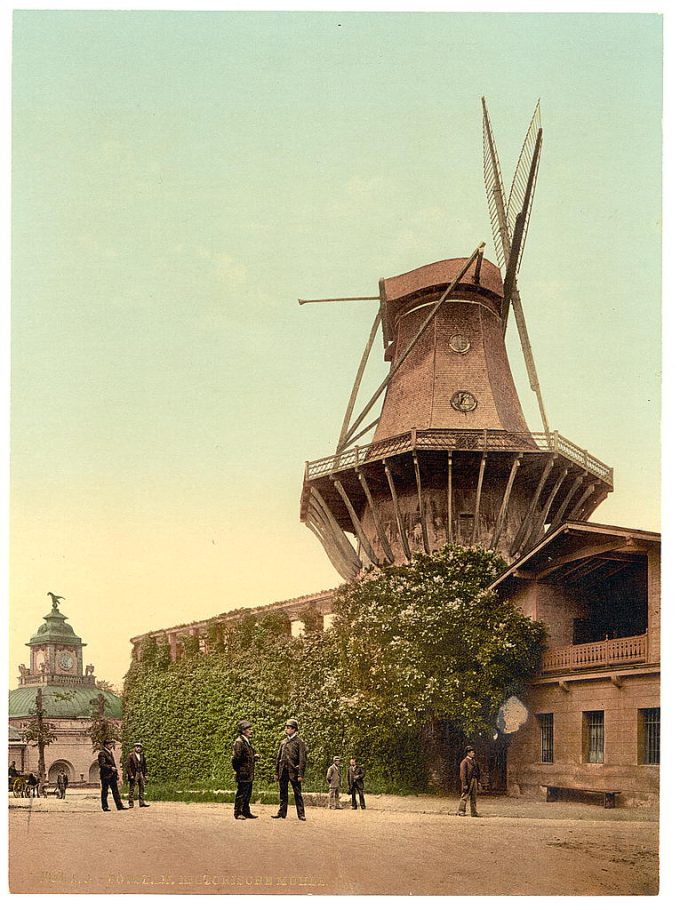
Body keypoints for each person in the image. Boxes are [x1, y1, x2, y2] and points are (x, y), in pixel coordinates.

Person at [271, 718, 306, 821]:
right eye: (286, 727)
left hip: (294, 772)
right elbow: (278, 758)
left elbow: (302, 759)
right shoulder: (283, 742)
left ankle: (301, 814)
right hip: (283, 771)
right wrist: (276, 772)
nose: (287, 729)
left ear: (294, 729)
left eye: (289, 728)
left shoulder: (299, 742)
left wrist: (300, 774)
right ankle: (282, 813)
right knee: (283, 793)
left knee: (297, 793)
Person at [231, 720, 259, 820]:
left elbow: (245, 756)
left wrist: (253, 757)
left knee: (247, 794)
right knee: (241, 794)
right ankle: (238, 813)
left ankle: (246, 812)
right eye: (249, 729)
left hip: (248, 773)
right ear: (243, 731)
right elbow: (235, 759)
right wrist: (239, 770)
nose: (251, 731)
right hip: (243, 774)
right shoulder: (239, 742)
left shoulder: (246, 741)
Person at [98, 739, 128, 812]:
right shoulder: (102, 753)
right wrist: (110, 768)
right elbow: (102, 764)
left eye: (111, 744)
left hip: (112, 775)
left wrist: (116, 774)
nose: (111, 746)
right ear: (106, 745)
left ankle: (119, 806)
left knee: (115, 791)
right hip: (105, 775)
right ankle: (105, 807)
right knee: (105, 791)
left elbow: (113, 764)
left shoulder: (110, 753)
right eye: (110, 744)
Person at [457, 745, 481, 817]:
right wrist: (464, 784)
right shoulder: (464, 762)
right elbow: (463, 774)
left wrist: (478, 781)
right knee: (465, 796)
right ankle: (461, 811)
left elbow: (478, 772)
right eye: (472, 752)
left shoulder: (474, 762)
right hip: (468, 781)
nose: (473, 753)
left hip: (474, 780)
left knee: (474, 797)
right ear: (468, 753)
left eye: (473, 752)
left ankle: (474, 812)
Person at [126, 742, 150, 808]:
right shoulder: (130, 755)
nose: (138, 748)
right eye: (137, 747)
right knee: (132, 788)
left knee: (142, 788)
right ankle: (131, 803)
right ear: (134, 748)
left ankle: (141, 803)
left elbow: (145, 766)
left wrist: (145, 774)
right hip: (134, 773)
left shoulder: (142, 755)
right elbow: (128, 766)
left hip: (141, 773)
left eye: (139, 747)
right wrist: (130, 774)